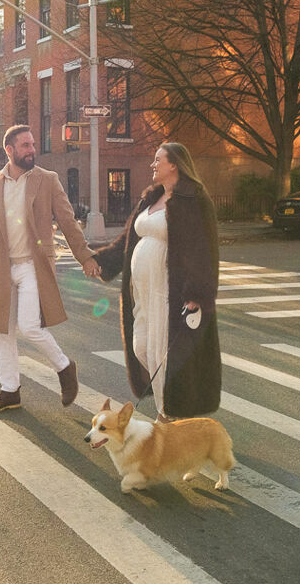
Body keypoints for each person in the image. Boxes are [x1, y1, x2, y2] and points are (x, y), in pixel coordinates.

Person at [0, 125, 102, 412]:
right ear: (10, 150)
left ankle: (65, 367)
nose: (31, 150)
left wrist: (86, 256)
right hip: (3, 268)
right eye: (25, 145)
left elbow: (67, 221)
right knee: (3, 331)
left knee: (29, 326)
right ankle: (9, 390)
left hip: (33, 265)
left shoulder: (47, 180)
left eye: (32, 144)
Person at [93, 142, 221, 420]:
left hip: (169, 291)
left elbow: (206, 249)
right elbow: (126, 241)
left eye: (157, 160)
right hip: (142, 292)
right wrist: (99, 261)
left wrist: (197, 292)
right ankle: (175, 409)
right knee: (142, 347)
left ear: (173, 164)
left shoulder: (194, 199)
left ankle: (167, 416)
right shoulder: (150, 199)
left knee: (165, 353)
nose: (153, 165)